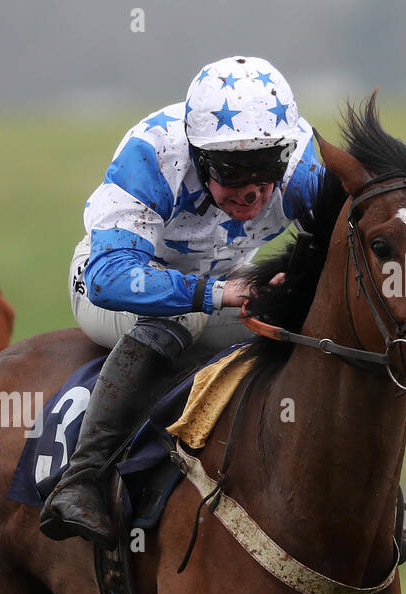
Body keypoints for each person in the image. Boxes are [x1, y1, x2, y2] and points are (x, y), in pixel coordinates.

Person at [41, 55, 323, 547]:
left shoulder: (301, 164)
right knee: (182, 320)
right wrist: (213, 294)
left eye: (266, 168)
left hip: (222, 276)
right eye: (234, 171)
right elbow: (111, 276)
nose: (254, 190)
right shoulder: (152, 154)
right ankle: (81, 481)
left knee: (311, 320)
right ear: (197, 155)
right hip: (112, 278)